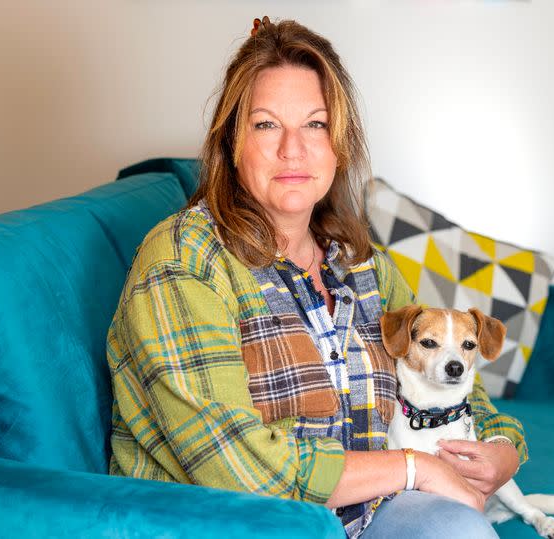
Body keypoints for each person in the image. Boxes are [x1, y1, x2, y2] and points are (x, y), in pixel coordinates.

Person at [107, 16, 527, 539]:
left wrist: (503, 447)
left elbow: (448, 369)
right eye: (265, 124)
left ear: (339, 145)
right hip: (234, 525)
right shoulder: (182, 260)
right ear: (231, 144)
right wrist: (415, 466)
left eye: (316, 124)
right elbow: (233, 465)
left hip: (367, 514)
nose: (292, 149)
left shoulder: (357, 260)